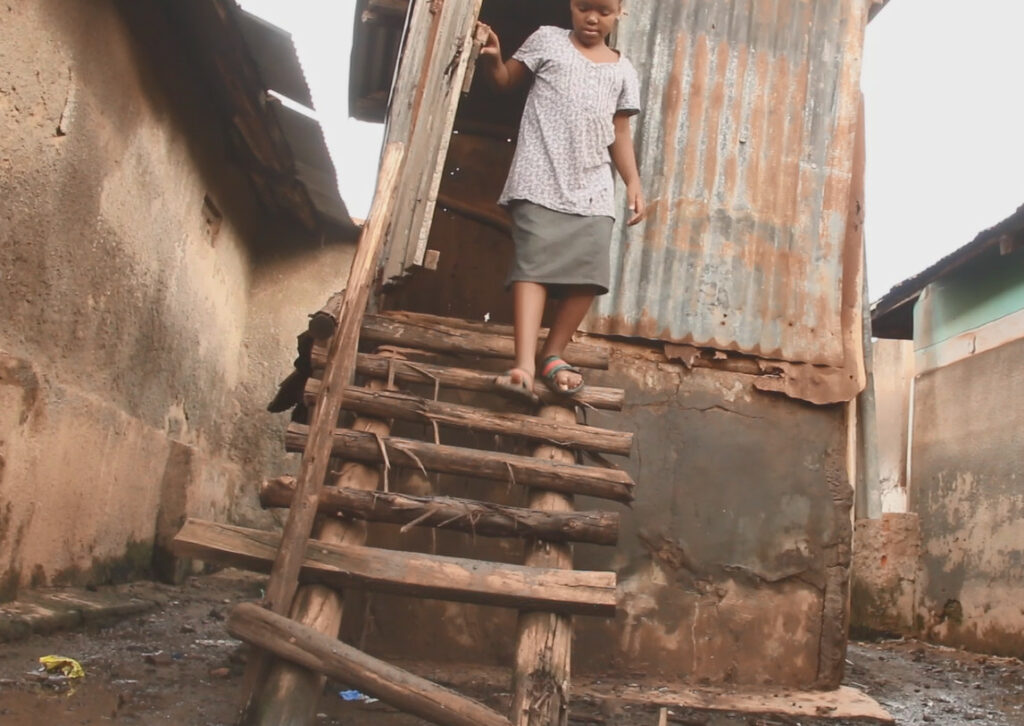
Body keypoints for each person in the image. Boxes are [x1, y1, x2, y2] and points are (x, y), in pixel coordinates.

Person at [477, 0, 644, 401]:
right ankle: (524, 365)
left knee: (590, 272)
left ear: (620, 12)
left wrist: (633, 181)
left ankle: (553, 354)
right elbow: (503, 82)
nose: (592, 18)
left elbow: (619, 132)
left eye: (603, 11)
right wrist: (493, 59)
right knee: (532, 266)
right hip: (539, 174)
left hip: (592, 184)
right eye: (585, 7)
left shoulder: (623, 69)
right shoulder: (547, 41)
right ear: (571, 5)